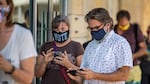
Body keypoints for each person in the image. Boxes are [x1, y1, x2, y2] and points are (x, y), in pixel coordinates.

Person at [68, 8, 133, 84]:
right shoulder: (90, 46)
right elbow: (86, 75)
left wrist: (95, 75)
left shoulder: (120, 43)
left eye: (97, 28)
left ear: (108, 24)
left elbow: (124, 75)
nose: (94, 31)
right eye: (91, 28)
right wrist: (78, 78)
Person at [35, 15, 84, 84]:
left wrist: (67, 64)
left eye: (62, 29)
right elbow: (37, 74)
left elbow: (82, 73)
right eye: (56, 29)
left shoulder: (76, 46)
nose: (59, 31)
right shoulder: (46, 46)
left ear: (68, 28)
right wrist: (44, 62)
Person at [0, 0, 37, 84]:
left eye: (0, 4)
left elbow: (28, 79)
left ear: (8, 7)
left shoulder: (22, 35)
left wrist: (8, 67)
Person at [114, 10, 147, 84]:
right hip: (117, 69)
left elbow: (143, 48)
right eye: (121, 25)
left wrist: (133, 56)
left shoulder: (134, 29)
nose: (123, 27)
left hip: (133, 67)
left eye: (125, 25)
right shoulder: (114, 30)